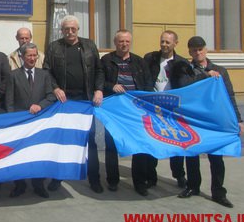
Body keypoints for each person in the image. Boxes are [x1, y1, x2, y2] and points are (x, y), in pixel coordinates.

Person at [176, 36, 244, 208]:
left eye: (200, 49)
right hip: (194, 119)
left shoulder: (220, 70)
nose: (198, 52)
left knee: (216, 157)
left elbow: (230, 96)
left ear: (206, 50)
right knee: (192, 154)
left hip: (215, 120)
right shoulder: (185, 70)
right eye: (194, 50)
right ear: (189, 52)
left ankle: (218, 192)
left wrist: (238, 120)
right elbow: (184, 87)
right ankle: (193, 186)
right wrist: (206, 76)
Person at [43, 15, 105, 193]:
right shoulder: (54, 47)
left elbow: (99, 70)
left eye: (73, 29)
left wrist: (99, 89)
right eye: (66, 29)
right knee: (62, 140)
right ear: (61, 30)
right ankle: (58, 177)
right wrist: (55, 88)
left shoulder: (89, 45)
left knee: (89, 140)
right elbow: (47, 71)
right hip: (64, 102)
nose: (70, 32)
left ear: (78, 30)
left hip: (86, 101)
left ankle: (94, 179)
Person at [101, 30, 155, 196]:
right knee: (111, 146)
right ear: (115, 42)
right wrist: (111, 86)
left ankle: (139, 183)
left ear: (130, 43)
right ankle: (113, 180)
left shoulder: (139, 61)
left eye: (126, 41)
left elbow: (147, 84)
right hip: (114, 112)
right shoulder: (106, 60)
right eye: (120, 41)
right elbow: (98, 80)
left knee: (139, 146)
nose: (123, 44)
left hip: (135, 112)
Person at [5, 43, 56, 199]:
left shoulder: (44, 75)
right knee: (19, 155)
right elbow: (9, 101)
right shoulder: (13, 75)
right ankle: (19, 185)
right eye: (29, 55)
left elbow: (51, 96)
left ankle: (38, 184)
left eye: (35, 55)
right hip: (20, 124)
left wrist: (40, 106)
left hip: (39, 123)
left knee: (37, 154)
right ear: (22, 57)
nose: (33, 58)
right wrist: (13, 122)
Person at [144, 30, 189, 188]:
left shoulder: (182, 63)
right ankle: (151, 176)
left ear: (175, 43)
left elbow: (191, 81)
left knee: (176, 143)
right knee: (153, 141)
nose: (164, 45)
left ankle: (179, 175)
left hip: (173, 110)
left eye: (167, 42)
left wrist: (209, 73)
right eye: (162, 41)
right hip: (153, 107)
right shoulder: (150, 58)